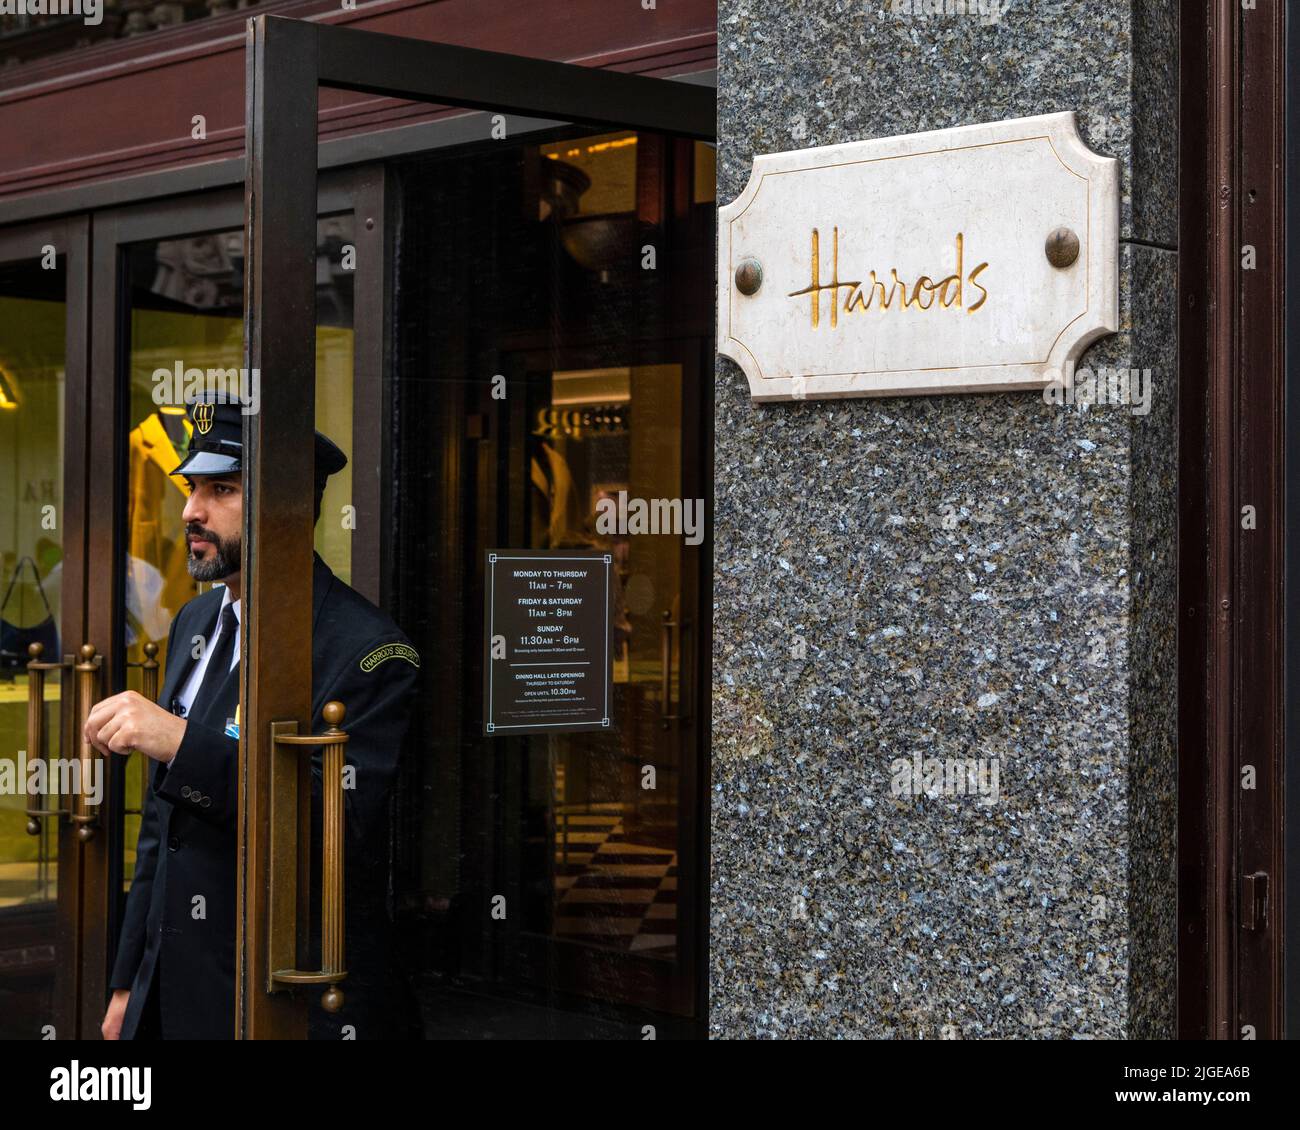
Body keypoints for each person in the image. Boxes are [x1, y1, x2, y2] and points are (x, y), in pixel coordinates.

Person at [94, 394, 421, 1040]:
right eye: (192, 488)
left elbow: (328, 822)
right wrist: (128, 983)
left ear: (285, 509)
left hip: (278, 1001)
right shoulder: (197, 619)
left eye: (222, 489)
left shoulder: (369, 652)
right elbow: (163, 831)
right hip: (173, 992)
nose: (191, 510)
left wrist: (180, 741)